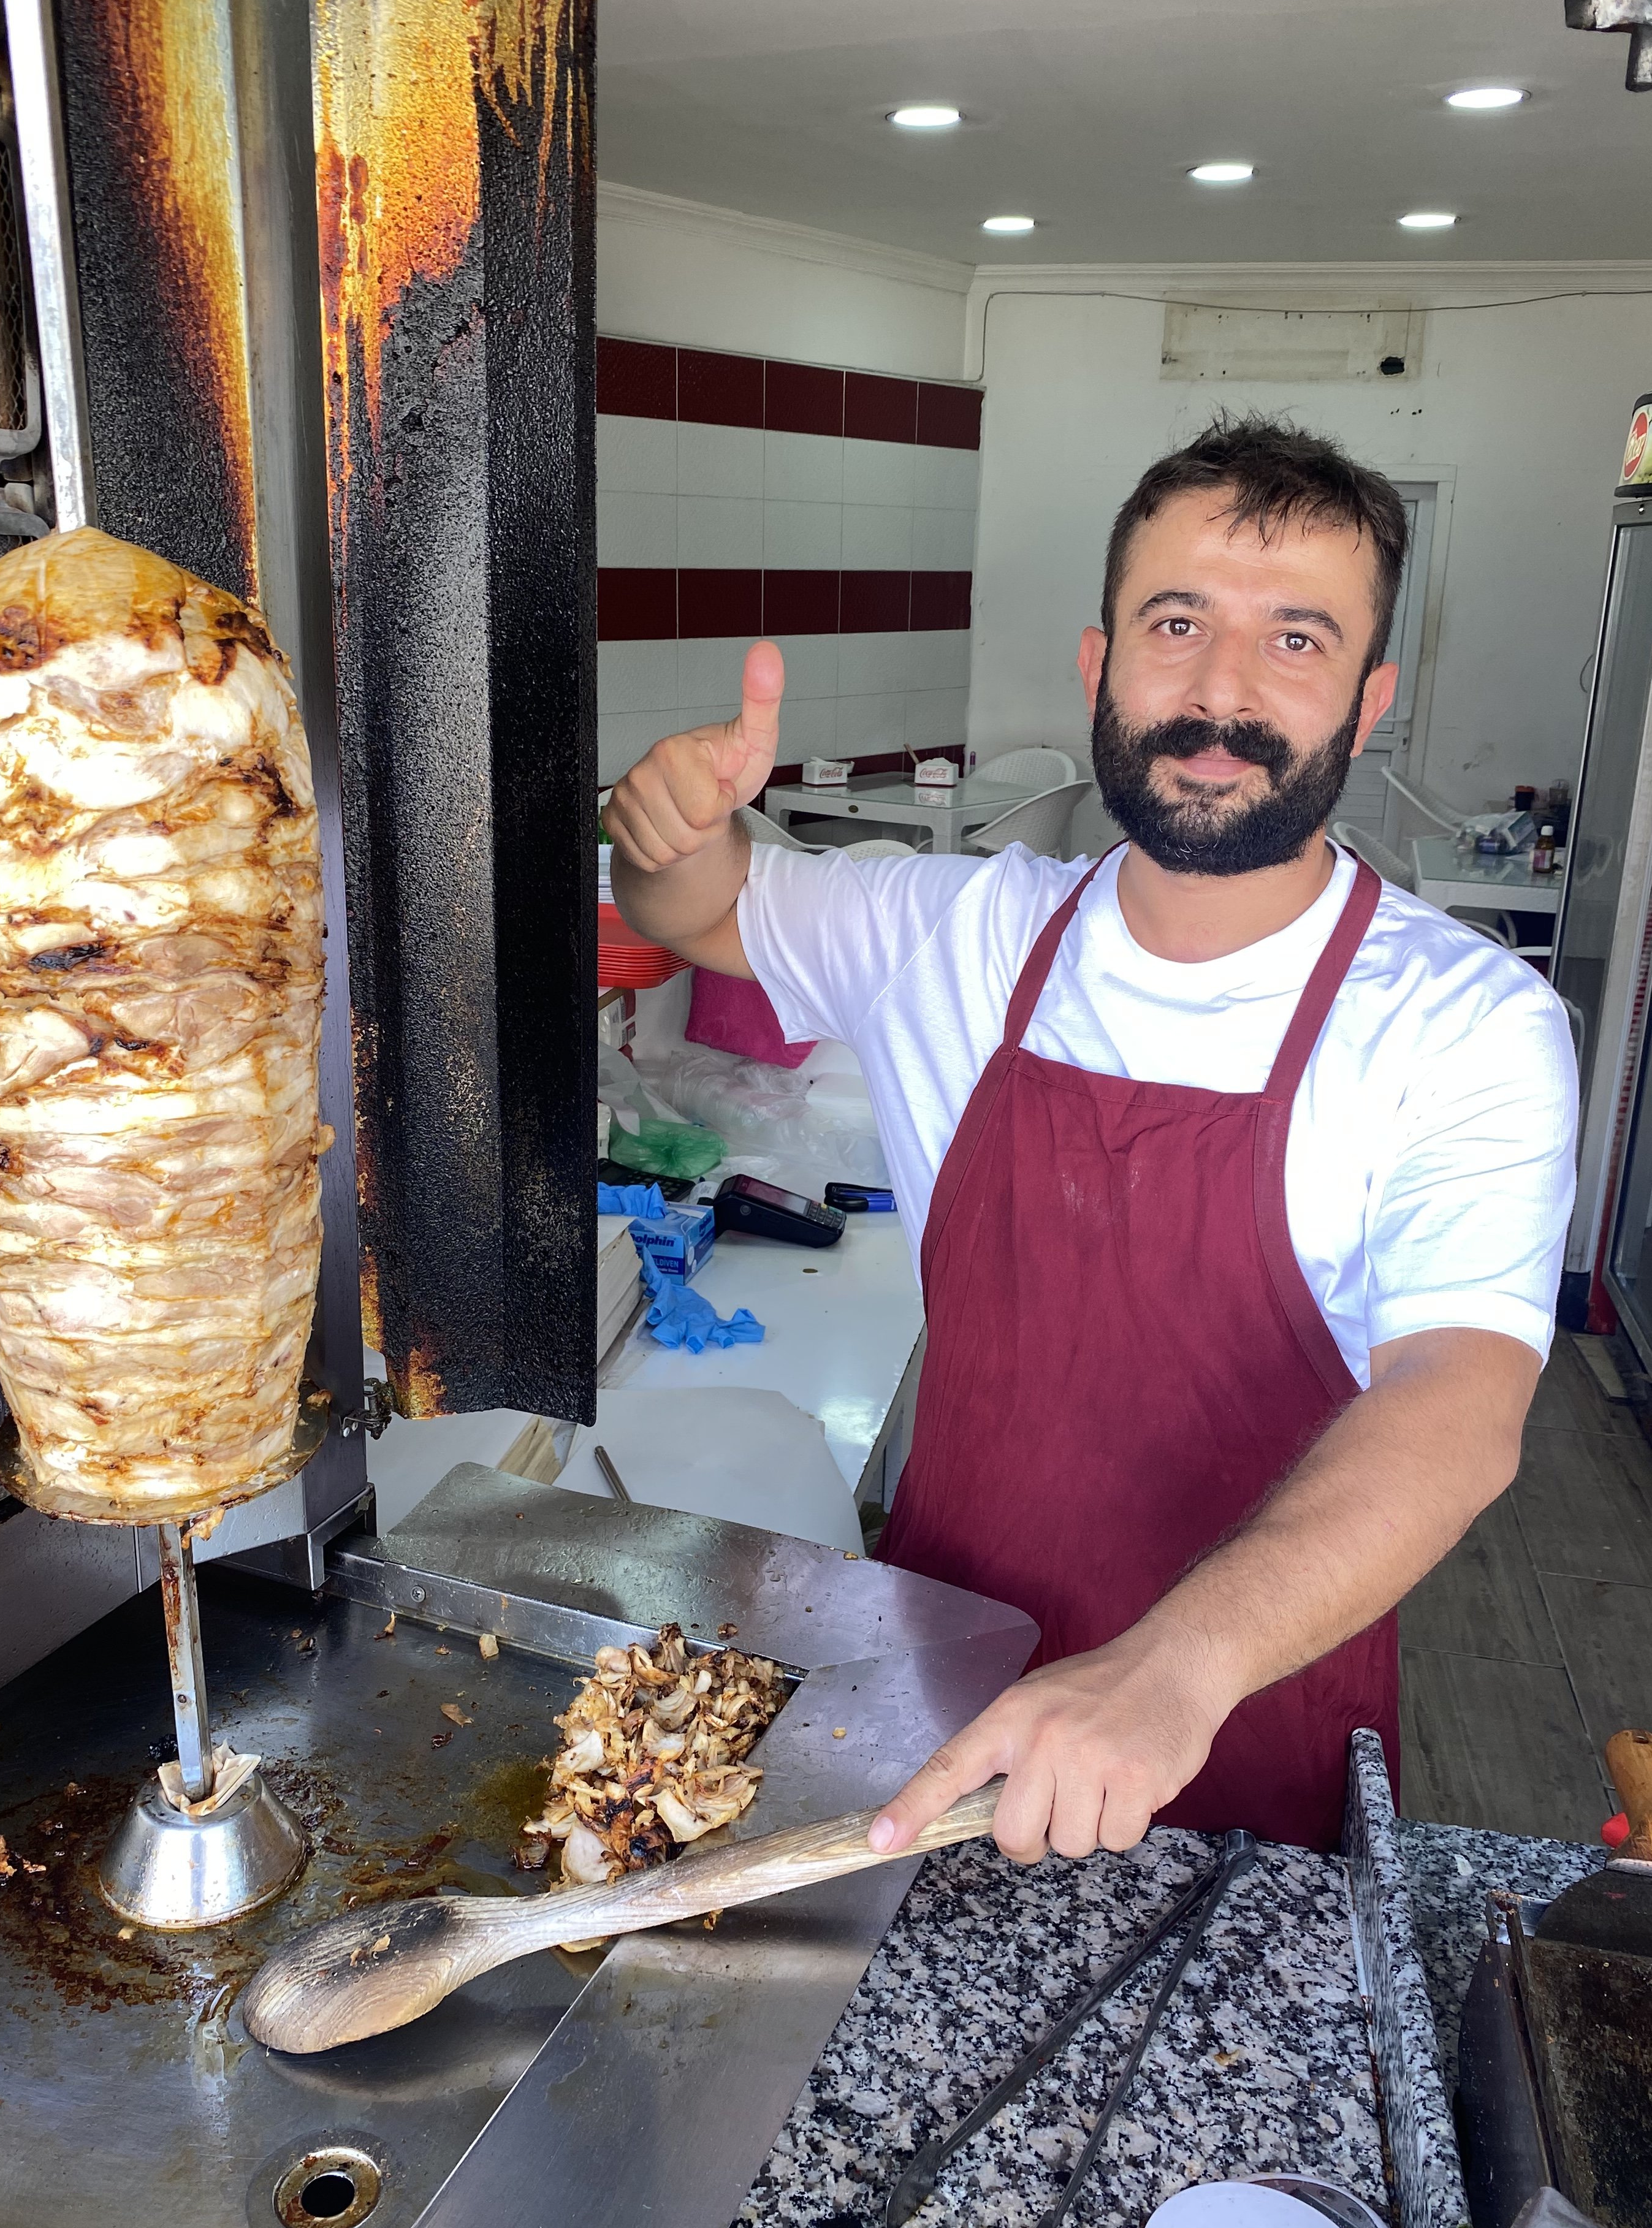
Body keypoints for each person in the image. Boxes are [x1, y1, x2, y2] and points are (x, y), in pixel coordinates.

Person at [604, 416, 1577, 1857]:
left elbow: (1457, 1405)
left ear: (1367, 705)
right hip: (937, 1668)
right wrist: (661, 838)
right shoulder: (958, 928)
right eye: (1175, 622)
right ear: (1099, 663)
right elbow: (701, 915)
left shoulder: (1469, 1024)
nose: (1221, 690)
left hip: (1240, 1728)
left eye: (1295, 640)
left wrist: (1175, 1666)